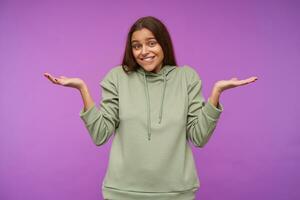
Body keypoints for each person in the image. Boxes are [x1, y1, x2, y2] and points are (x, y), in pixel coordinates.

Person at [44, 16, 258, 200]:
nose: (143, 51)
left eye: (151, 43)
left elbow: (199, 137)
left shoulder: (187, 77)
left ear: (163, 43)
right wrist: (82, 88)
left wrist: (216, 95)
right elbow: (100, 135)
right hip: (122, 192)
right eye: (136, 46)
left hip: (177, 193)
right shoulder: (117, 77)